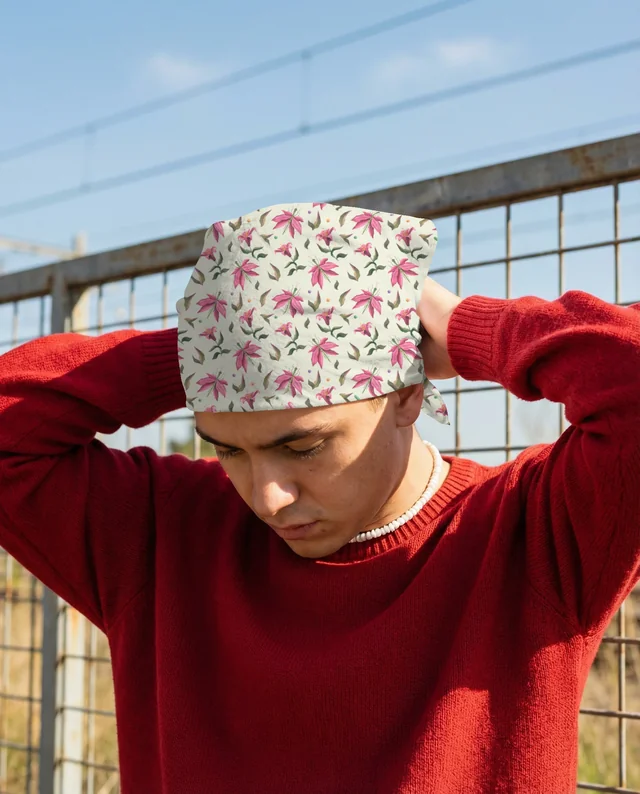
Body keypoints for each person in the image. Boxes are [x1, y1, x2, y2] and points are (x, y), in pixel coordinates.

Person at [0, 202, 638, 794]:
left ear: (407, 396)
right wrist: (216, 350)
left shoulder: (536, 534)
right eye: (227, 449)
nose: (267, 498)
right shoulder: (162, 532)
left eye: (302, 447)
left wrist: (465, 326)